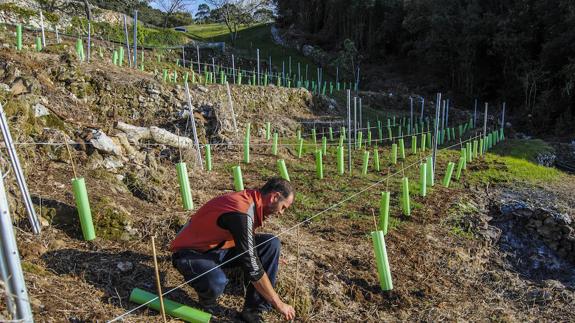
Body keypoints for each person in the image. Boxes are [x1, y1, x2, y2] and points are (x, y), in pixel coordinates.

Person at [170, 177, 296, 322]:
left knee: (270, 244)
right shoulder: (241, 210)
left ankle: (253, 311)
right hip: (190, 252)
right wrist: (278, 303)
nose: (281, 213)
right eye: (283, 207)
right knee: (216, 282)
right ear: (275, 197)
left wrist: (270, 257)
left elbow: (244, 240)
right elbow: (252, 266)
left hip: (218, 248)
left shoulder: (252, 201)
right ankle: (207, 300)